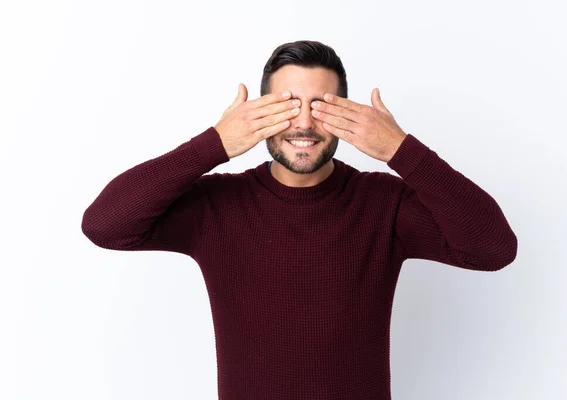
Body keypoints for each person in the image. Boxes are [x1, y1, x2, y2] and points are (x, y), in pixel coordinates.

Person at [81, 40, 518, 399]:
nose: (304, 124)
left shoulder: (384, 204)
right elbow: (105, 225)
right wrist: (213, 144)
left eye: (321, 106)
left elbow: (494, 248)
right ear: (258, 112)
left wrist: (400, 151)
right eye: (287, 105)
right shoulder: (218, 206)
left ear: (347, 115)